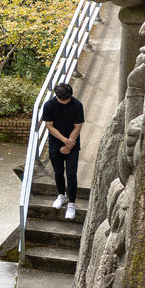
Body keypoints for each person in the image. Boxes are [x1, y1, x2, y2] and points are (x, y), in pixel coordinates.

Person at [41, 82, 85, 220]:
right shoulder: (49, 105)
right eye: (62, 100)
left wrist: (68, 145)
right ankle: (61, 195)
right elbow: (50, 126)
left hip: (72, 143)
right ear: (57, 96)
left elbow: (77, 127)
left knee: (71, 174)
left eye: (68, 99)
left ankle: (71, 203)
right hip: (56, 143)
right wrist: (64, 140)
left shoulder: (77, 105)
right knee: (58, 172)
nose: (65, 102)